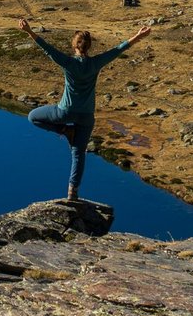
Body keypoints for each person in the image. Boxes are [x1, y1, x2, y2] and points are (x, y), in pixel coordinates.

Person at [19, 16, 154, 201]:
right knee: (78, 153)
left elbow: (48, 50)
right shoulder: (96, 63)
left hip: (65, 111)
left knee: (33, 116)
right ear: (88, 47)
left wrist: (29, 31)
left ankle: (65, 130)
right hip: (87, 116)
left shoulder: (68, 63)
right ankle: (72, 192)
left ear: (75, 46)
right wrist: (138, 36)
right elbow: (118, 50)